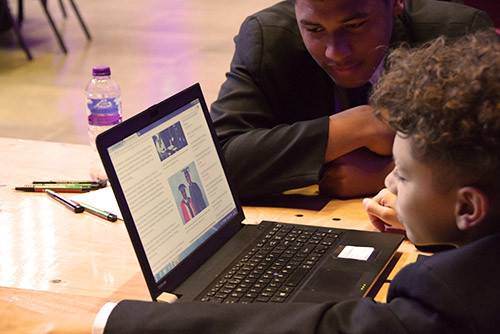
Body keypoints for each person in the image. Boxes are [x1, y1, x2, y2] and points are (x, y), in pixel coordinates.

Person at [2, 30, 500, 334]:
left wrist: (98, 321)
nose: (390, 179)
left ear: (469, 207)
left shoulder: (450, 301)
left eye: (406, 176)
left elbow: (323, 327)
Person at [211, 0, 493, 201]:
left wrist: (391, 175)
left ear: (396, 3)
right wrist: (359, 125)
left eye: (355, 25)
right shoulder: (267, 38)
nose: (336, 52)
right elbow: (218, 163)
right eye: (314, 30)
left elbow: (492, 158)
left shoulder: (457, 34)